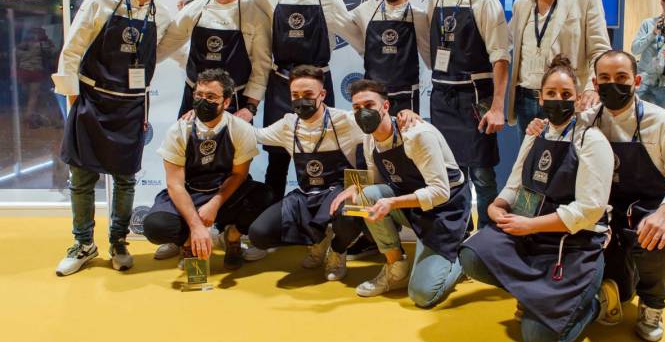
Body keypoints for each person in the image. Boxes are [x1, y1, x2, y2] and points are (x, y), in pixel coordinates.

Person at [527, 50, 665, 342]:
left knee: (655, 243)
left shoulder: (661, 123)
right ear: (595, 85)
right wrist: (538, 127)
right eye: (605, 79)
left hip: (649, 212)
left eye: (621, 78)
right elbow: (556, 130)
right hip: (605, 214)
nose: (614, 85)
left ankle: (652, 304)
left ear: (636, 80)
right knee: (620, 292)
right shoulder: (585, 121)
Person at [459, 55, 620, 342]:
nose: (558, 100)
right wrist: (496, 207)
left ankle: (598, 301)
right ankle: (533, 295)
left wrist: (529, 225)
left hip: (572, 245)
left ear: (576, 99)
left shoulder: (591, 140)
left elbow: (589, 210)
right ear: (539, 97)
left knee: (542, 341)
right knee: (472, 255)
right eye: (551, 94)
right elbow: (513, 184)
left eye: (565, 95)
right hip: (531, 237)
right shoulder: (535, 135)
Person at [53, 0, 182, 276]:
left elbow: (166, 53)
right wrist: (72, 100)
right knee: (81, 178)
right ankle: (83, 243)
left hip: (131, 105)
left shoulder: (162, 16)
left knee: (125, 181)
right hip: (92, 100)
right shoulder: (100, 2)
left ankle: (118, 242)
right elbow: (72, 51)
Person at [330, 79, 471, 308]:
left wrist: (392, 202)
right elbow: (375, 181)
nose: (362, 112)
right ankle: (396, 268)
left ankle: (462, 257)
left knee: (422, 295)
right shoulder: (369, 139)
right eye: (357, 108)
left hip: (445, 209)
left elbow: (440, 191)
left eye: (369, 105)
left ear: (385, 107)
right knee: (367, 196)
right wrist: (355, 187)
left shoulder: (416, 134)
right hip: (411, 202)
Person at [252, 0, 361, 203]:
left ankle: (326, 215)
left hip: (318, 85)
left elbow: (358, 38)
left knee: (327, 152)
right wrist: (194, 0)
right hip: (281, 85)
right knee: (276, 159)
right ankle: (274, 218)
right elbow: (237, 0)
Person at [141, 69, 273, 269]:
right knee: (156, 226)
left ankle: (232, 236)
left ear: (226, 102)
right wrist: (195, 225)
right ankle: (188, 243)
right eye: (199, 95)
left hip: (226, 193)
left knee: (266, 197)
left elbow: (239, 175)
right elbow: (175, 184)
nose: (203, 101)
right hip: (190, 192)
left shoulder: (239, 128)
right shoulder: (179, 129)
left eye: (211, 97)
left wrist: (214, 204)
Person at [247, 66, 364, 281]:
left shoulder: (345, 121)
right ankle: (316, 241)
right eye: (296, 95)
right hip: (305, 195)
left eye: (308, 95)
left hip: (340, 192)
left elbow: (383, 127)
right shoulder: (287, 124)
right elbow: (254, 134)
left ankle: (337, 250)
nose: (302, 100)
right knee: (259, 234)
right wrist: (222, 118)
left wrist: (407, 115)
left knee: (352, 215)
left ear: (322, 94)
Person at [426, 0, 509, 228]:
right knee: (452, 172)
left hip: (475, 97)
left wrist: (497, 106)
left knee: (482, 175)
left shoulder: (485, 1)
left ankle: (487, 237)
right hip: (442, 98)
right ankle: (459, 232)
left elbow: (501, 57)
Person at [507, 0, 611, 137]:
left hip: (565, 98)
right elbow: (505, 42)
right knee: (531, 160)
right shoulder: (520, 5)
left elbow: (600, 50)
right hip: (527, 99)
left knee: (568, 158)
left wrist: (591, 87)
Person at [160, 0, 271, 119]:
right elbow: (167, 45)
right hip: (194, 97)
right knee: (188, 145)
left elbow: (261, 66)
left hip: (235, 99)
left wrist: (251, 107)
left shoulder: (253, 14)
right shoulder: (193, 10)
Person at [349, 0, 430, 115]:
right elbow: (336, 18)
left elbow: (430, 56)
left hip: (407, 95)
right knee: (374, 139)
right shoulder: (366, 10)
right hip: (373, 95)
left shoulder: (419, 16)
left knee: (405, 138)